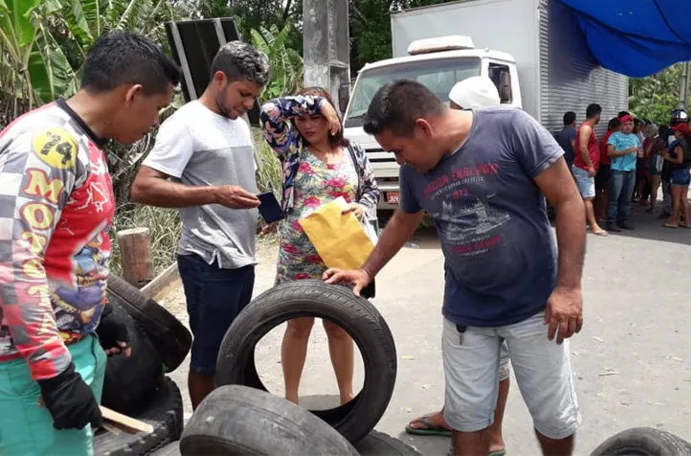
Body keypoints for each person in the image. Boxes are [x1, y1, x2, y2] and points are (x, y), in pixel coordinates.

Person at [324, 79, 585, 456]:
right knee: (467, 418)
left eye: (398, 149)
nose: (398, 160)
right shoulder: (415, 169)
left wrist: (569, 288)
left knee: (553, 416)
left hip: (535, 309)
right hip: (466, 315)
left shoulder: (512, 128)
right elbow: (403, 220)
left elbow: (568, 199)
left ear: (423, 128)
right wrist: (367, 271)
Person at [0, 31, 180, 454]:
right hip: (27, 371)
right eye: (157, 109)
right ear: (132, 94)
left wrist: (100, 311)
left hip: (68, 351)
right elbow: (12, 263)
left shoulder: (86, 144)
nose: (155, 122)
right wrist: (55, 374)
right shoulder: (47, 146)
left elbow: (69, 248)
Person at [130, 41, 269, 409]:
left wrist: (260, 208)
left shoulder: (237, 123)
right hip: (209, 261)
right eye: (244, 94)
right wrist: (214, 194)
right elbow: (143, 187)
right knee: (209, 357)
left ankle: (235, 428)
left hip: (242, 258)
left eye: (254, 97)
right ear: (219, 79)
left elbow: (238, 181)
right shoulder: (186, 123)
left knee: (237, 349)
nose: (249, 105)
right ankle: (205, 439)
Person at [405, 76, 511, 456]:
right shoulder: (434, 155)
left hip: (509, 293)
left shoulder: (499, 146)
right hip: (465, 288)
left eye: (452, 107)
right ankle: (459, 419)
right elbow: (406, 216)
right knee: (469, 358)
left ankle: (490, 435)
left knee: (493, 360)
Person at [258, 87, 380, 405]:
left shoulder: (353, 151)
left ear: (332, 120)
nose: (308, 125)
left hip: (340, 255)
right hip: (297, 256)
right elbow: (268, 112)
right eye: (301, 118)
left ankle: (347, 398)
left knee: (339, 326)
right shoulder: (290, 148)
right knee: (298, 326)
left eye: (316, 118)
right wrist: (315, 102)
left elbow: (370, 188)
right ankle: (292, 399)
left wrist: (363, 207)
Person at [572, 104, 607, 235]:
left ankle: (580, 222)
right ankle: (594, 226)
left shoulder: (588, 128)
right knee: (588, 197)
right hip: (583, 168)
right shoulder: (586, 128)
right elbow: (582, 148)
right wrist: (590, 166)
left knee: (585, 197)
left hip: (583, 167)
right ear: (597, 115)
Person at [606, 115, 642, 232]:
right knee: (614, 198)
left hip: (631, 170)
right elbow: (610, 152)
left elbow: (640, 153)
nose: (628, 127)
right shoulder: (614, 136)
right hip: (618, 170)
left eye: (630, 124)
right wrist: (626, 151)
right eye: (625, 124)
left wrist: (640, 153)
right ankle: (611, 222)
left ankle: (623, 220)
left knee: (626, 198)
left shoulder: (635, 138)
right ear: (621, 125)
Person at [662, 123, 691, 229]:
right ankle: (687, 221)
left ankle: (674, 220)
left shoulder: (679, 144)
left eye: (676, 131)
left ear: (681, 133)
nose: (675, 133)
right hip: (687, 172)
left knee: (676, 199)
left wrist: (668, 158)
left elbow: (679, 160)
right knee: (684, 198)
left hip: (678, 172)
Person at [595, 118, 620, 221]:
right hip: (607, 165)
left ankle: (599, 213)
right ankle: (602, 213)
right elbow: (610, 153)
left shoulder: (607, 135)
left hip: (602, 165)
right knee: (606, 192)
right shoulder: (612, 137)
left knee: (600, 191)